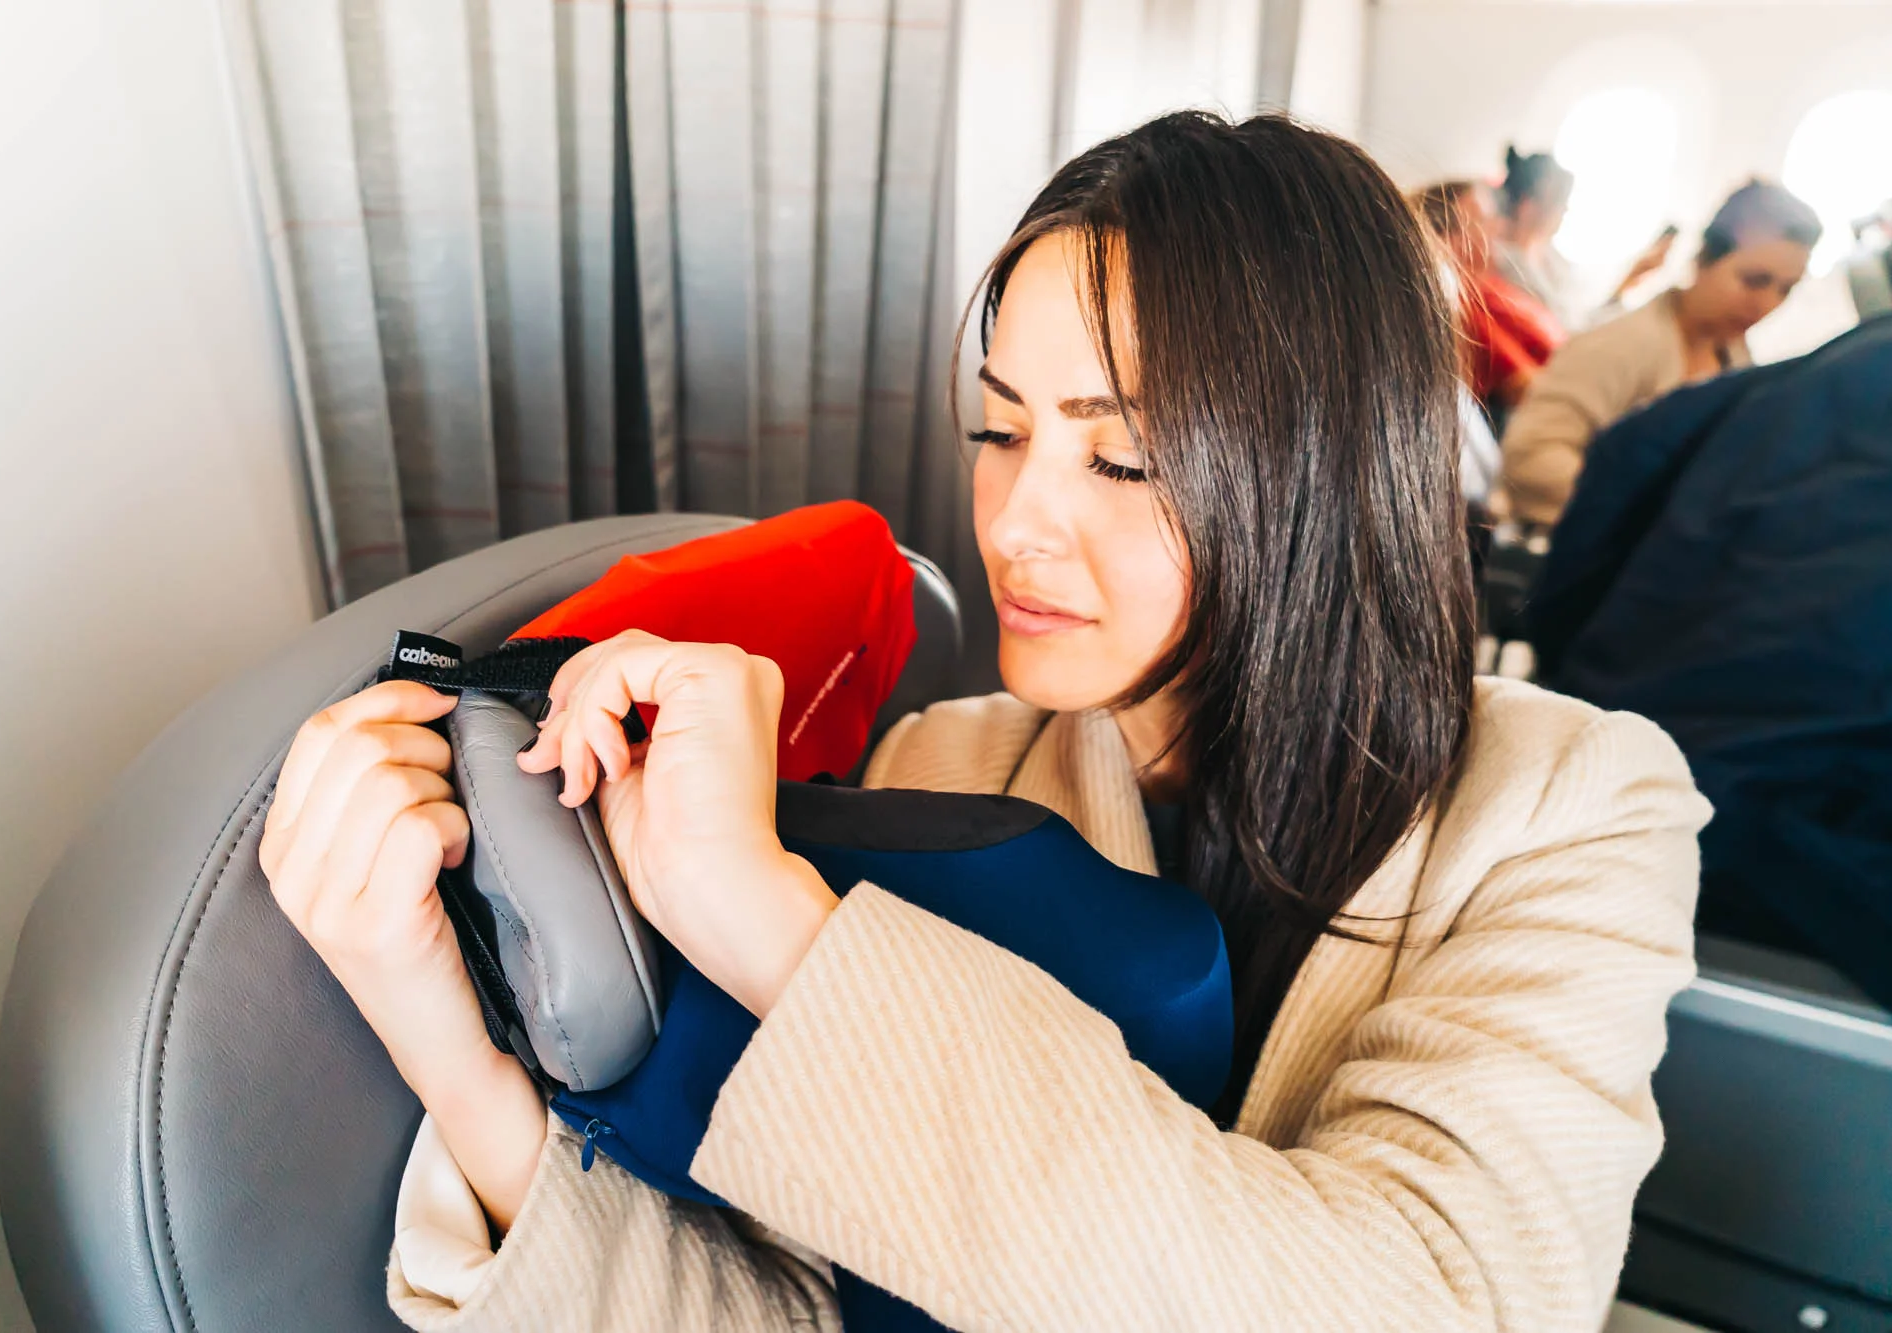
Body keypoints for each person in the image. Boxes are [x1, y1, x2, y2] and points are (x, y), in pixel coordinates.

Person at [261, 112, 1708, 1332]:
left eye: (1124, 454)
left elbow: (1430, 1298)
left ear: (1328, 473)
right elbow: (807, 1309)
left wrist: (770, 920)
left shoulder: (1577, 809)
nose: (1017, 522)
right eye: (1001, 430)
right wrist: (438, 1031)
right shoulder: (945, 769)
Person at [1529, 301, 1892, 1023]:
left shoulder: (1820, 372)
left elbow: (1614, 479)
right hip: (1817, 898)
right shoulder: (1643, 342)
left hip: (1606, 821)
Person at [1501, 179, 1821, 528]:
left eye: (1786, 289)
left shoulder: (1738, 362)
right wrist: (1651, 513)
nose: (1767, 303)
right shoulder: (1618, 344)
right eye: (1754, 280)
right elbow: (1531, 457)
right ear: (1705, 259)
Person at [1416, 179, 1564, 416]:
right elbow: (1524, 387)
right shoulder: (1466, 306)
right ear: (1447, 237)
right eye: (1483, 221)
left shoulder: (1493, 284)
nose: (1500, 226)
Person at [1494, 147, 1675, 331]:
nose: (1565, 209)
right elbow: (1570, 331)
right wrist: (1625, 285)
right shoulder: (1508, 265)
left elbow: (1580, 313)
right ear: (1528, 204)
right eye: (1558, 200)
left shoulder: (1549, 255)